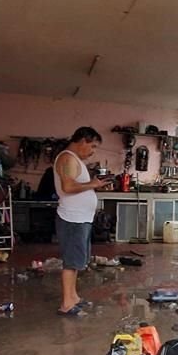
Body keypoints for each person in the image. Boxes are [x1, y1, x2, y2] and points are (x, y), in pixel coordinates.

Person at [54, 127, 110, 316]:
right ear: (83, 140)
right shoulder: (67, 158)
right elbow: (68, 186)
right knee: (71, 261)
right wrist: (93, 184)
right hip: (72, 218)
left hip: (80, 218)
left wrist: (93, 185)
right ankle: (67, 304)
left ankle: (73, 297)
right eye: (92, 145)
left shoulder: (73, 159)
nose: (93, 150)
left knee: (77, 260)